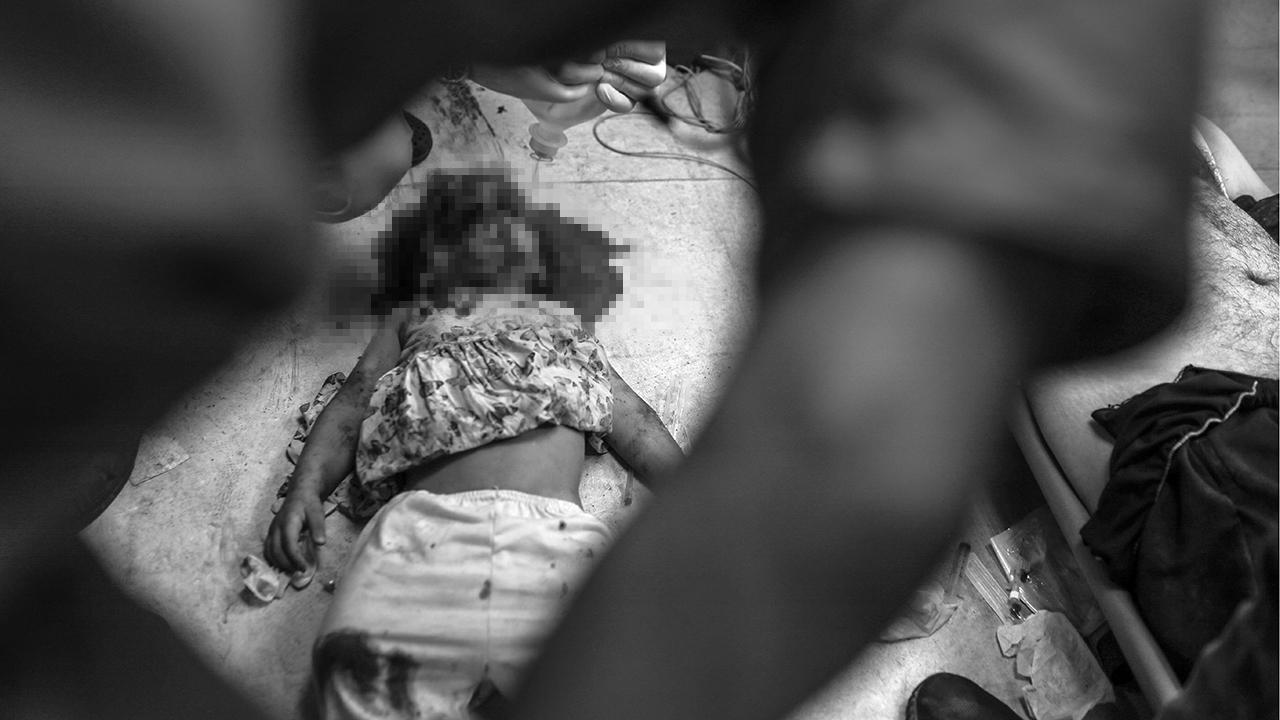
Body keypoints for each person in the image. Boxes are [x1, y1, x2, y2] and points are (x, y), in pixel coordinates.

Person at [0, 0, 1212, 719]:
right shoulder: (401, 316)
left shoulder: (562, 349)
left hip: (542, 548)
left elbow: (768, 438)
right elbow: (352, 396)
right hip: (411, 550)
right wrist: (313, 483)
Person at [264, 171, 684, 719]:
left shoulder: (562, 324)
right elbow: (355, 399)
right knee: (354, 681)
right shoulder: (414, 316)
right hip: (422, 536)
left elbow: (634, 420)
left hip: (555, 540)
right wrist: (307, 486)